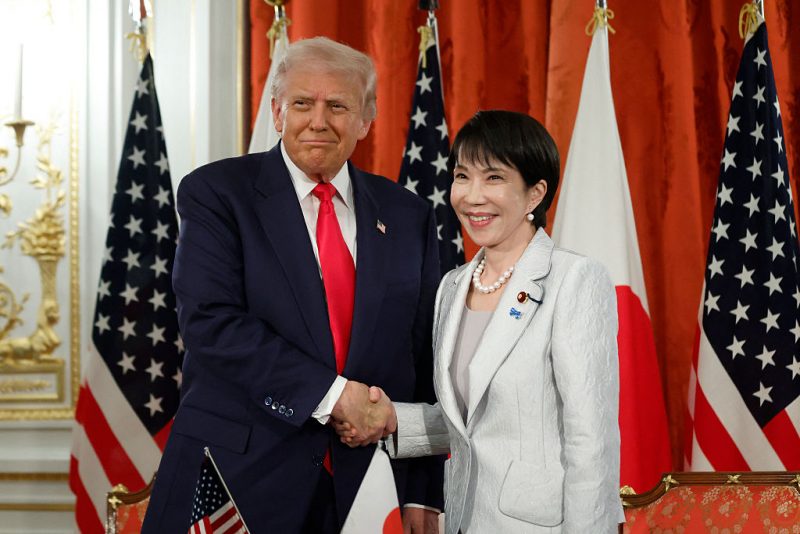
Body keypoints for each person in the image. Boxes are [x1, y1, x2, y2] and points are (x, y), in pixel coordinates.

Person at [142, 37, 443, 533]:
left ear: (366, 119)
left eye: (338, 106)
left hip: (369, 488)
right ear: (278, 112)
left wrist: (423, 493)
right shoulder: (217, 194)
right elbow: (212, 324)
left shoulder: (408, 215)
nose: (318, 121)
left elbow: (422, 361)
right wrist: (333, 396)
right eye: (303, 103)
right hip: (235, 482)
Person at [337, 110, 624, 533]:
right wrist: (393, 419)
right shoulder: (453, 287)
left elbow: (591, 441)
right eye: (462, 176)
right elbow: (470, 423)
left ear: (535, 194)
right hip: (464, 520)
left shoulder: (574, 279)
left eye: (493, 178)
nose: (472, 196)